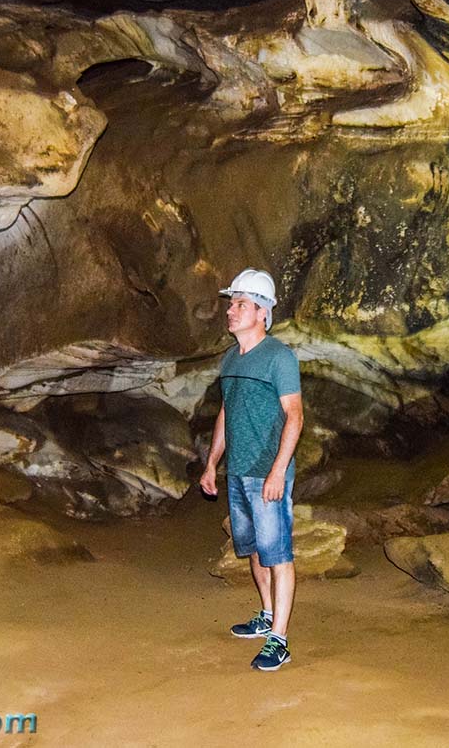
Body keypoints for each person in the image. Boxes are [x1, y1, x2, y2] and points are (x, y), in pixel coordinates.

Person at [199, 268, 303, 672]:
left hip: (266, 471)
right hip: (238, 471)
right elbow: (227, 411)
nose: (231, 310)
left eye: (240, 304)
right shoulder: (230, 358)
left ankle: (280, 638)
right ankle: (266, 613)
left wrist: (278, 472)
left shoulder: (279, 357)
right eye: (231, 303)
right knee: (255, 550)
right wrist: (212, 463)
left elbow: (294, 416)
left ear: (262, 312)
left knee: (278, 555)